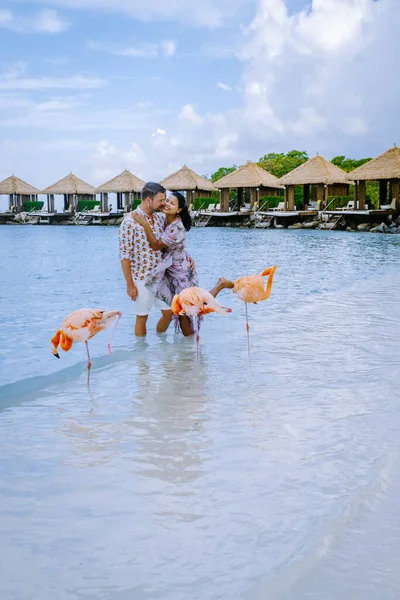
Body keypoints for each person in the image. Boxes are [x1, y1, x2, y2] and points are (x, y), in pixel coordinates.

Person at [132, 191, 233, 336]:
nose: (167, 204)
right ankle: (186, 351)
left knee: (191, 306)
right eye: (167, 201)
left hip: (181, 273)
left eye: (172, 203)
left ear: (179, 209)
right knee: (181, 311)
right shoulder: (163, 219)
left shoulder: (177, 227)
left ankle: (220, 285)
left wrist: (144, 224)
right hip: (171, 270)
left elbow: (155, 245)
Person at [118, 182, 173, 337]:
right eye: (160, 200)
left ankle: (163, 348)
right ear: (149, 200)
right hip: (141, 278)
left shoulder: (160, 218)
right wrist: (130, 285)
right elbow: (125, 256)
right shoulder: (129, 221)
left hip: (161, 277)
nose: (163, 203)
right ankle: (141, 358)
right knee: (142, 317)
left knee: (169, 313)